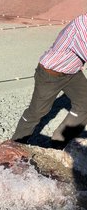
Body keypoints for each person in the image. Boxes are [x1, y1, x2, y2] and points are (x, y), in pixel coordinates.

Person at [11, 14, 87, 148]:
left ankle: (58, 145)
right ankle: (15, 145)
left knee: (84, 104)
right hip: (51, 73)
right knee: (37, 112)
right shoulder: (82, 24)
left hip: (73, 72)